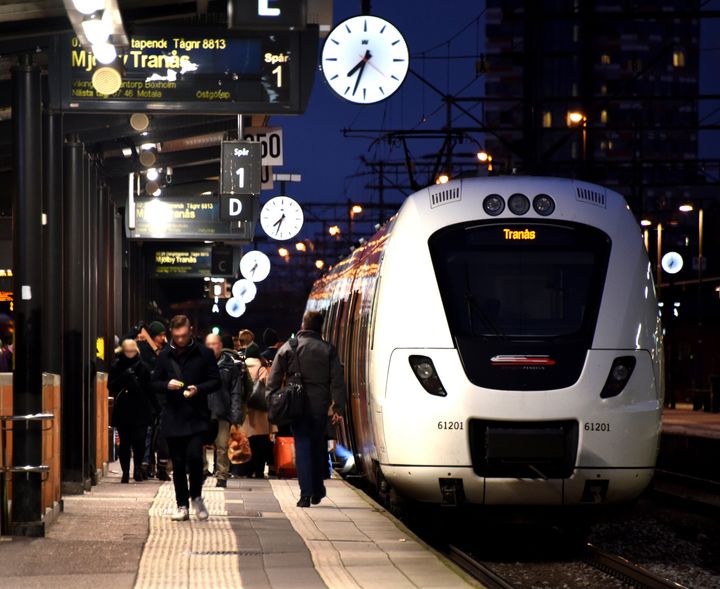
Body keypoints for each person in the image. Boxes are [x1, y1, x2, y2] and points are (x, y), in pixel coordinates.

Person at [267, 311, 346, 507]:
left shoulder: (289, 347)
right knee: (318, 446)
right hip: (320, 406)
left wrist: (274, 398)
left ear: (303, 325)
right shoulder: (328, 349)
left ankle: (305, 495)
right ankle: (318, 490)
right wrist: (338, 407)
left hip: (296, 405)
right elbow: (337, 381)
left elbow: (274, 378)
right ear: (320, 328)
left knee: (302, 446)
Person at [152, 315, 220, 522]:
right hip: (173, 415)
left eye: (183, 335)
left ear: (190, 330)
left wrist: (198, 389)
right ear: (172, 333)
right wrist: (166, 385)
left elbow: (215, 381)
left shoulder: (204, 354)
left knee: (194, 457)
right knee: (178, 463)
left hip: (196, 415)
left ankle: (196, 497)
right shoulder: (164, 356)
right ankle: (182, 504)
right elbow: (154, 383)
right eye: (176, 336)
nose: (180, 340)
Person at [108, 339, 158, 484]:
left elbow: (150, 389)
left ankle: (136, 468)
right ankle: (125, 472)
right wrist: (124, 377)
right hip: (123, 408)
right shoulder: (117, 367)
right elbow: (110, 386)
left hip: (140, 408)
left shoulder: (143, 368)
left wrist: (156, 408)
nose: (130, 354)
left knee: (140, 440)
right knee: (124, 442)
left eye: (132, 351)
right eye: (127, 351)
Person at [204, 334, 250, 487]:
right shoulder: (200, 364)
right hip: (203, 410)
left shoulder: (230, 366)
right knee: (199, 443)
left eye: (214, 344)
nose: (211, 347)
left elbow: (236, 392)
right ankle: (202, 471)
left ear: (220, 345)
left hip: (222, 410)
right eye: (208, 344)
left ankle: (222, 475)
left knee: (222, 446)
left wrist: (236, 414)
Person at [138, 320, 171, 481]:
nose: (163, 338)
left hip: (163, 399)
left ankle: (161, 467)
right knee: (149, 433)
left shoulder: (165, 351)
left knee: (162, 434)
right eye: (160, 335)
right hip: (150, 399)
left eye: (164, 335)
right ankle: (146, 465)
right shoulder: (144, 350)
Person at [242, 343, 273, 478]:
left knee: (247, 441)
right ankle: (259, 470)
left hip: (246, 410)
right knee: (261, 442)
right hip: (261, 410)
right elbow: (268, 387)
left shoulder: (242, 366)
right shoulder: (262, 368)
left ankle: (247, 470)